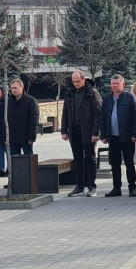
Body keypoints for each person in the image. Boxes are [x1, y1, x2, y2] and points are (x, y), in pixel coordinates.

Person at [60, 70, 102, 198]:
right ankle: (79, 186)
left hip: (88, 131)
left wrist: (96, 133)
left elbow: (98, 113)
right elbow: (65, 112)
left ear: (84, 79)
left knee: (90, 158)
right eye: (74, 81)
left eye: (78, 81)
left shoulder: (92, 93)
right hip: (74, 131)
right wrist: (64, 130)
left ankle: (91, 186)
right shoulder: (70, 93)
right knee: (77, 159)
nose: (76, 84)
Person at [100, 74, 136, 197]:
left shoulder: (129, 98)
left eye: (117, 83)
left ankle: (132, 187)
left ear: (123, 84)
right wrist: (103, 135)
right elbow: (103, 118)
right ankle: (116, 188)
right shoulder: (106, 99)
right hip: (113, 137)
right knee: (115, 164)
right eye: (113, 84)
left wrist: (135, 134)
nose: (115, 86)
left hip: (127, 136)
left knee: (129, 163)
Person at [6, 78, 41, 156]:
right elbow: (6, 120)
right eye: (12, 88)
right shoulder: (9, 102)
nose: (13, 90)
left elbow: (34, 120)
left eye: (15, 88)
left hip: (26, 138)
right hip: (13, 138)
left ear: (22, 87)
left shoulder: (30, 101)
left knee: (28, 161)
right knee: (14, 162)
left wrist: (32, 137)